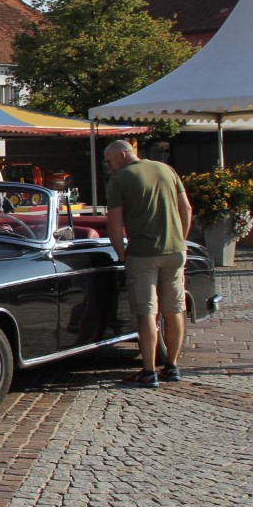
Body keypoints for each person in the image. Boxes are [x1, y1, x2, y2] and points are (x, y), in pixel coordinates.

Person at [104, 139, 192, 388]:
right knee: (174, 309)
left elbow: (114, 221)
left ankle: (149, 370)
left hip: (143, 253)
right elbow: (186, 208)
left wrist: (121, 252)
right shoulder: (166, 169)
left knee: (147, 312)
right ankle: (172, 366)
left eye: (109, 161)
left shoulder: (120, 179)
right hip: (175, 250)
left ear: (123, 155)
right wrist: (180, 238)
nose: (108, 166)